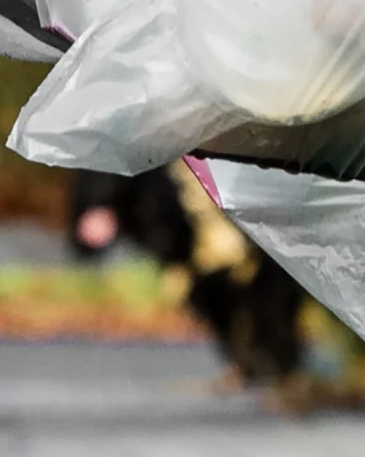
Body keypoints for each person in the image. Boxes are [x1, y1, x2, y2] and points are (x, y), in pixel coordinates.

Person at [64, 164, 307, 384]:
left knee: (268, 283)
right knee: (206, 289)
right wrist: (98, 203)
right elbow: (112, 143)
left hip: (245, 210)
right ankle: (259, 361)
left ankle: (276, 363)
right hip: (178, 226)